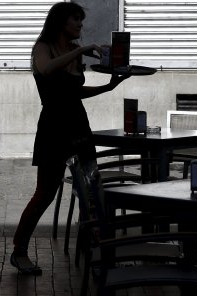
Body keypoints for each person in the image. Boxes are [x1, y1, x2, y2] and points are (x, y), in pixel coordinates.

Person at [10, 2, 130, 275]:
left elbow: (75, 92)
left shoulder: (74, 56)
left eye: (81, 20)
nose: (80, 25)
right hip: (54, 128)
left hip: (79, 126)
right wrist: (82, 49)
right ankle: (19, 251)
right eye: (76, 20)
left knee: (91, 191)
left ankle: (98, 251)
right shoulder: (43, 47)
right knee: (45, 194)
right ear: (60, 22)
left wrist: (108, 86)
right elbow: (49, 69)